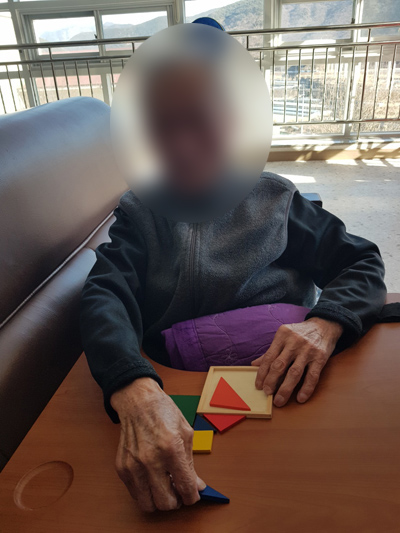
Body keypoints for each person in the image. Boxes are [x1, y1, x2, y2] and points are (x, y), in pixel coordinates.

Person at [80, 24, 386, 513]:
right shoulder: (141, 213)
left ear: (236, 119)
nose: (181, 145)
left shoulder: (276, 200)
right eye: (162, 123)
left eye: (199, 119)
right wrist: (131, 386)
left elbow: (361, 261)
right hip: (181, 395)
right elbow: (104, 294)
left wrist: (324, 325)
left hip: (283, 389)